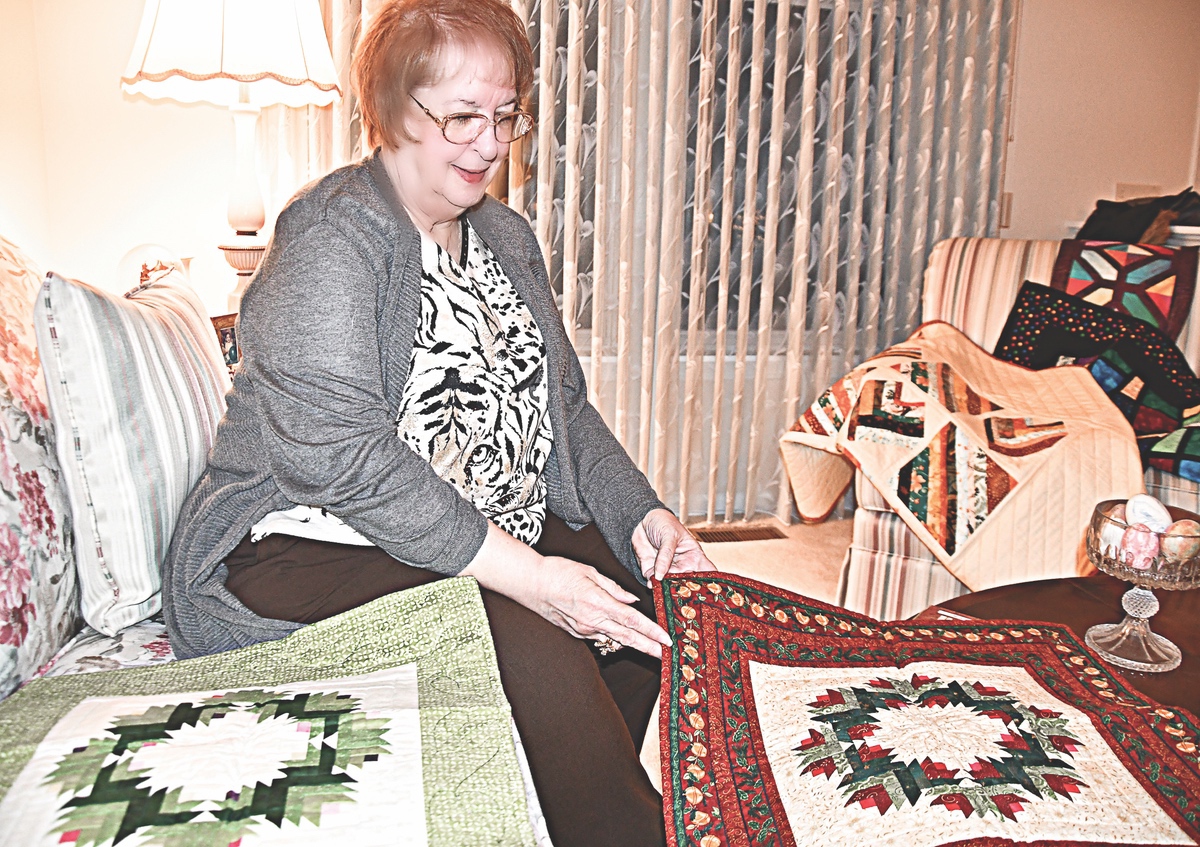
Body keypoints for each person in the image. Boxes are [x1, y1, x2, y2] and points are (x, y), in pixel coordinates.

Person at [162, 0, 715, 844]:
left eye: (504, 115)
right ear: (389, 112)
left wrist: (648, 514)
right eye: (461, 116)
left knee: (644, 595)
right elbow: (341, 459)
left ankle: (553, 796)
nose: (490, 144)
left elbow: (563, 407)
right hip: (304, 543)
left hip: (469, 520)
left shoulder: (504, 235)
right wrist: (529, 576)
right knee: (528, 625)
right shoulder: (331, 237)